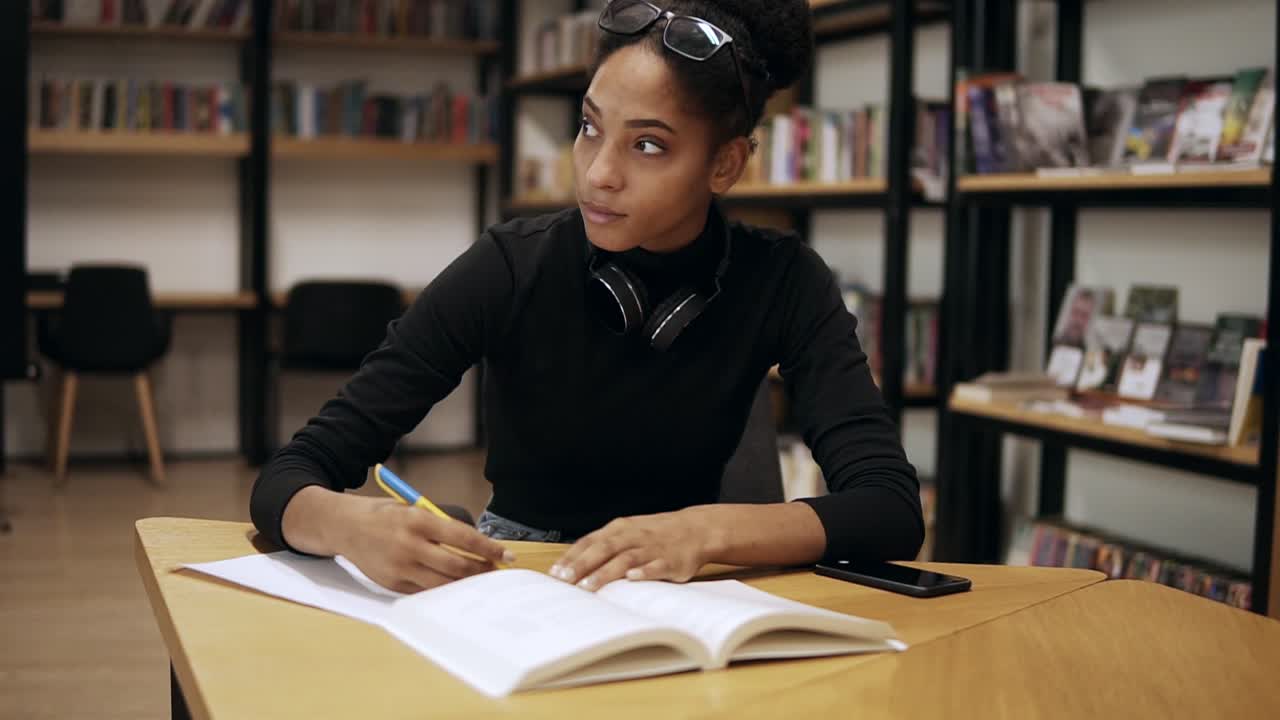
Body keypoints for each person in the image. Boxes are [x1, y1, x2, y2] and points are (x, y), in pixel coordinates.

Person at [250, 0, 923, 594]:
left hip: (682, 586)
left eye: (649, 146)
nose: (600, 174)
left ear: (725, 164)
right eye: (590, 127)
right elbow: (290, 474)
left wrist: (704, 533)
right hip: (520, 578)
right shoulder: (510, 266)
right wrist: (349, 525)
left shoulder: (785, 280)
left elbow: (890, 509)